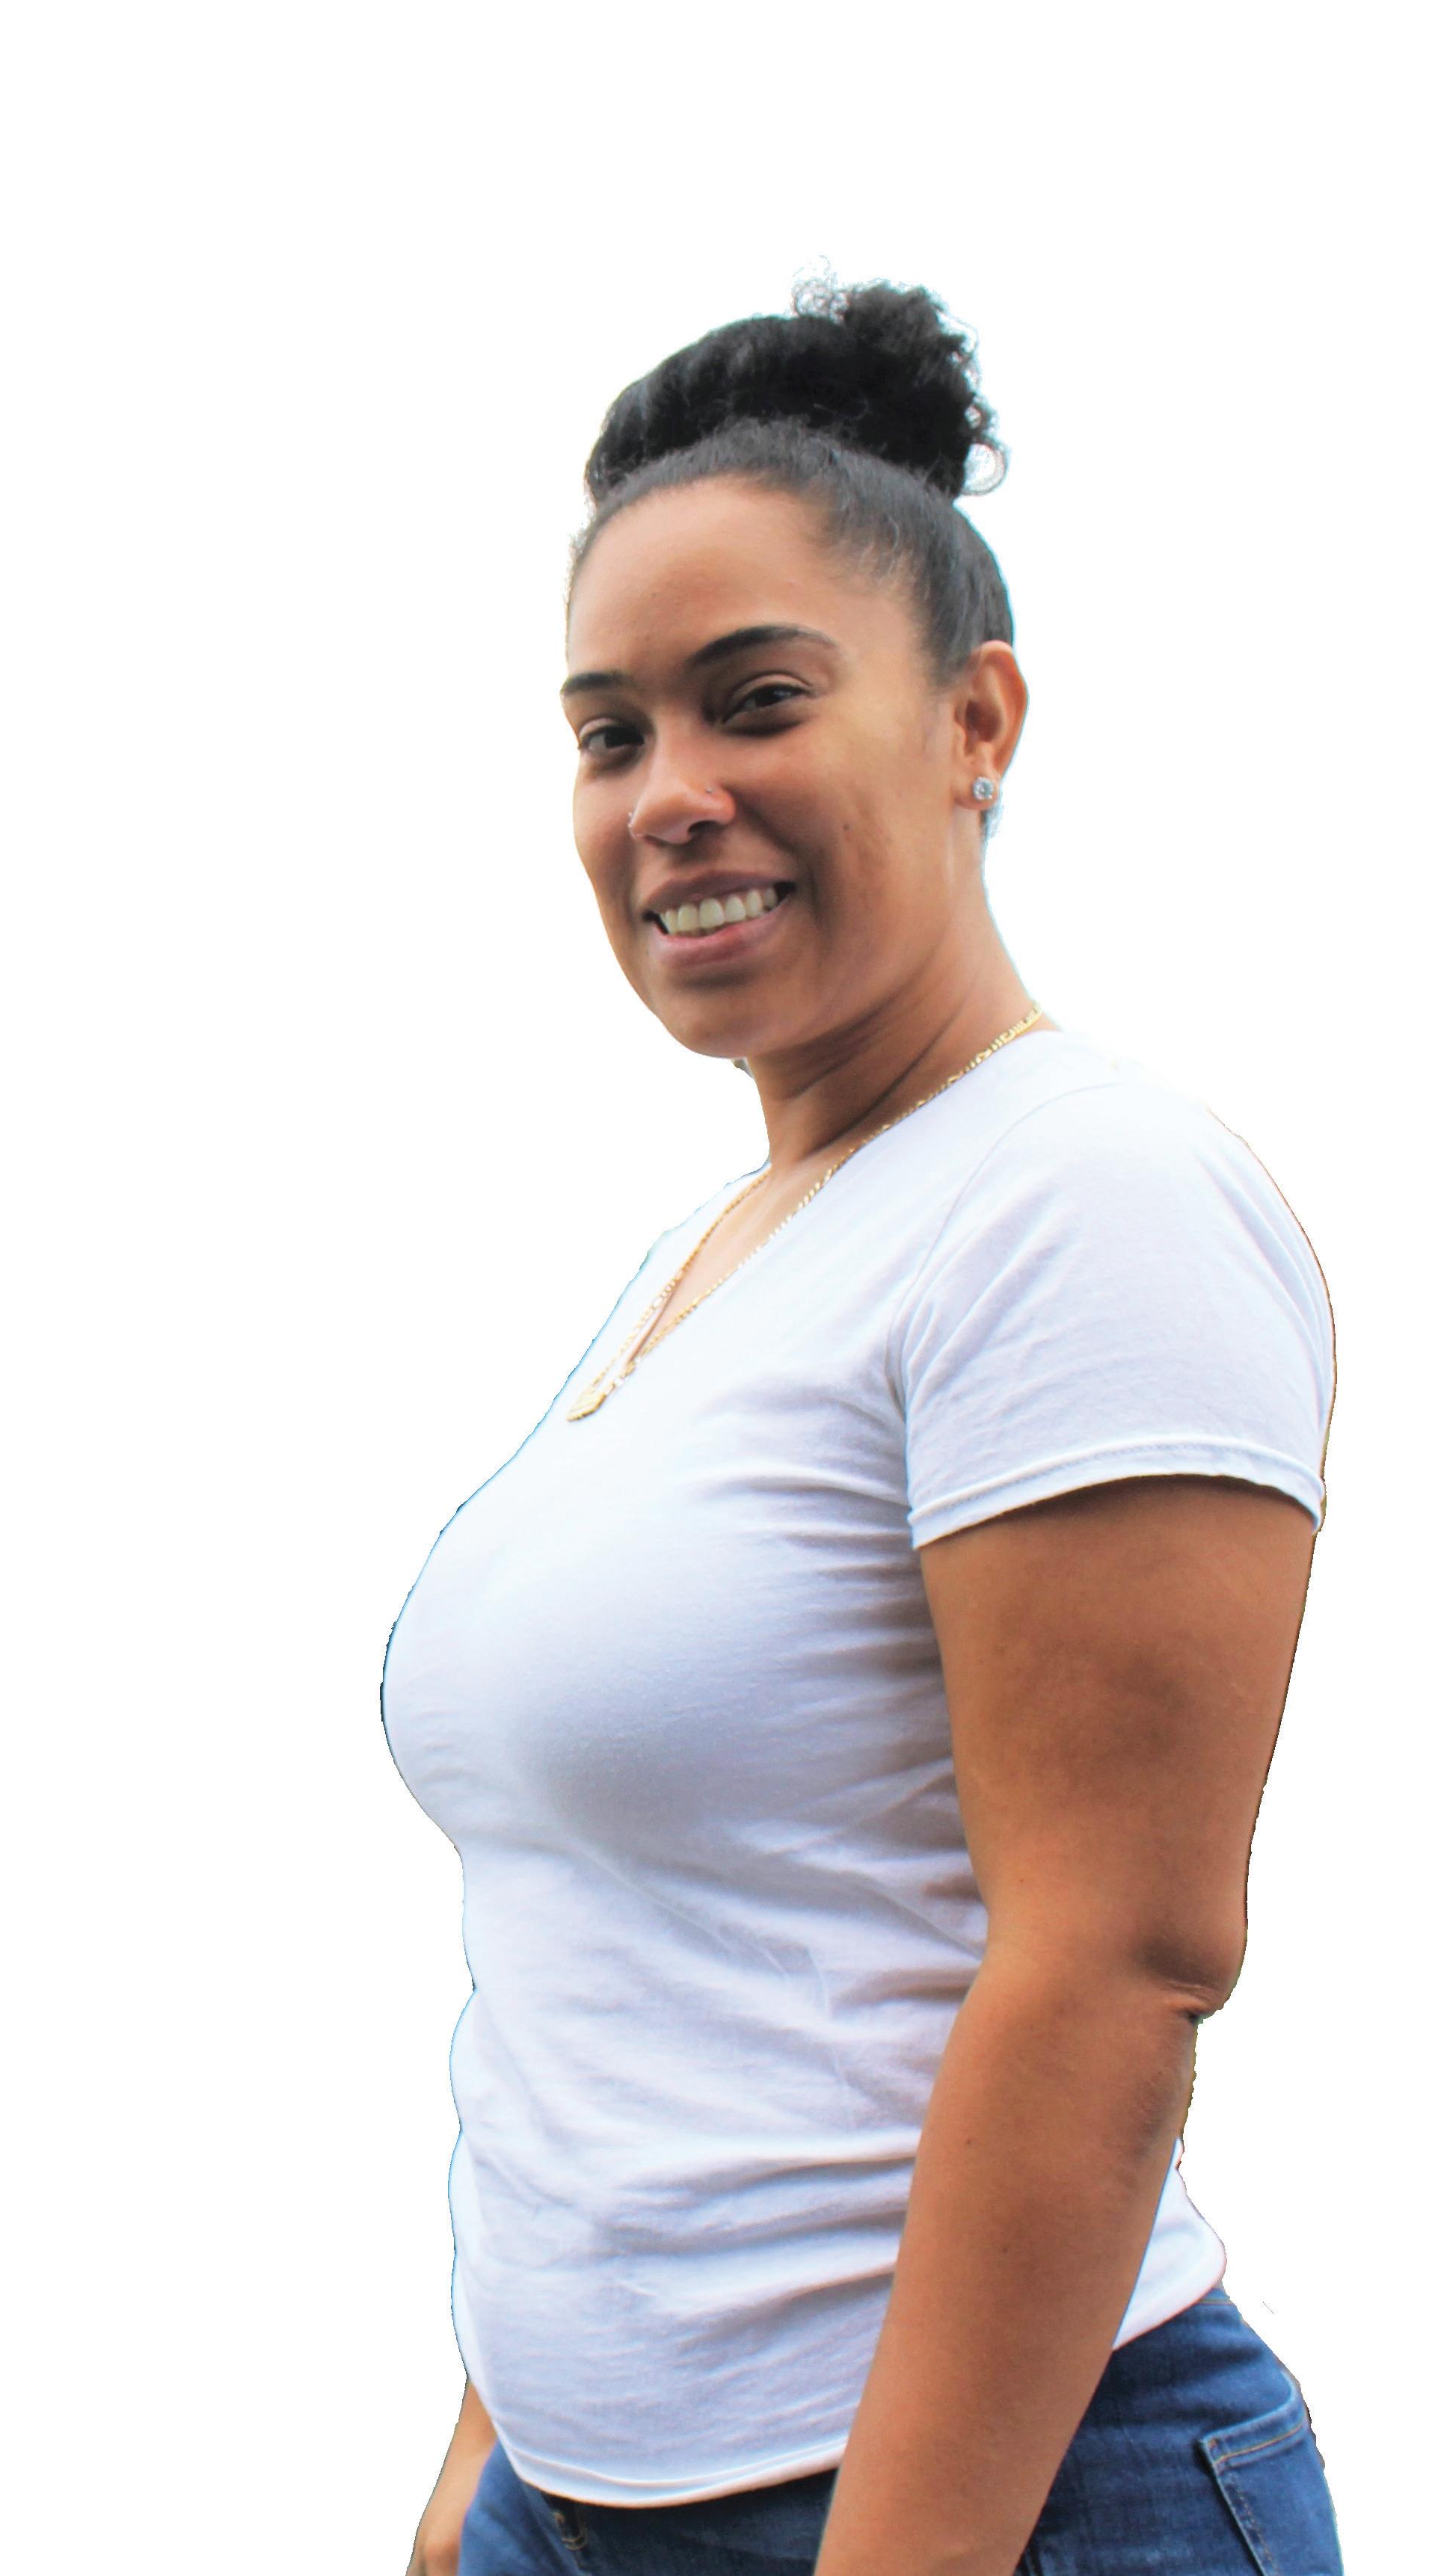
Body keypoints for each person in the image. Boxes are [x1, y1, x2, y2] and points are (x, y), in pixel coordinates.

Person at [382, 280, 1344, 2576]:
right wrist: (482, 2471)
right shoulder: (719, 1256)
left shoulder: (1078, 1200)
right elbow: (615, 1941)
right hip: (587, 2502)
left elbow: (1110, 1973)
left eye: (757, 702)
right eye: (607, 732)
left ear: (971, 719)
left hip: (983, 2507)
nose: (667, 792)